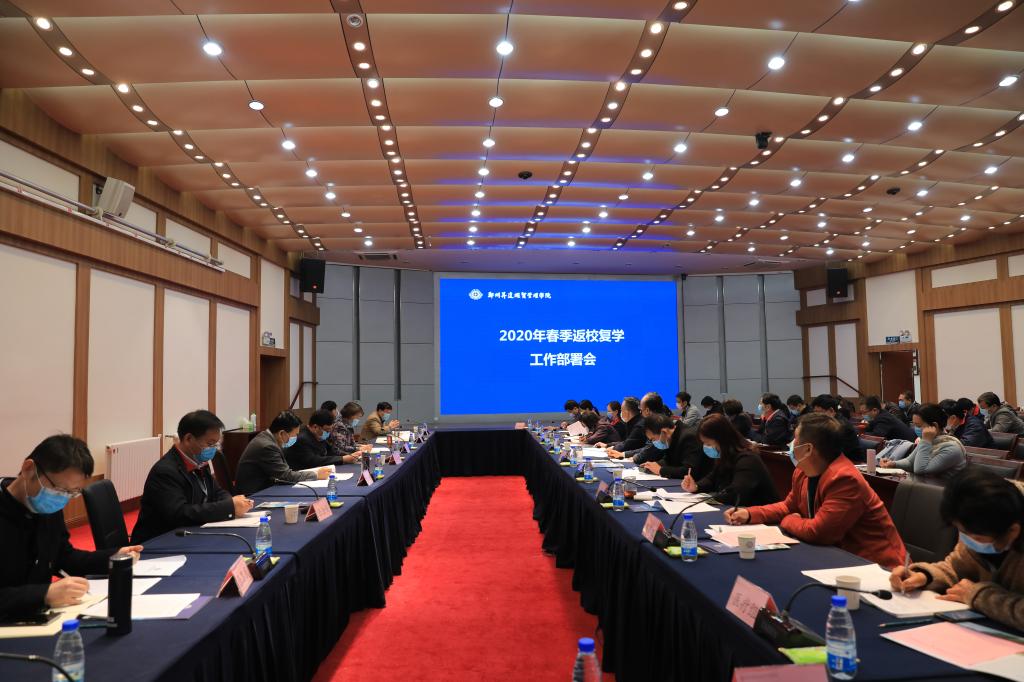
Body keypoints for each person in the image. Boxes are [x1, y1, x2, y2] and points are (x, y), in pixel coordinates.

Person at [725, 413, 906, 567]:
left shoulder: (844, 479)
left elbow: (819, 532)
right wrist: (749, 514)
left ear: (808, 449)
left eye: (795, 439)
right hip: (837, 558)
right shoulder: (802, 472)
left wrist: (788, 521)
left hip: (879, 567)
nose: (791, 444)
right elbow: (788, 506)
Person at [1, 435, 143, 620]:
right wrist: (44, 594)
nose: (62, 499)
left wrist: (112, 558)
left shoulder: (46, 508)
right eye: (59, 490)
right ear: (28, 469)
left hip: (39, 617)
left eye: (71, 493)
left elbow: (63, 557)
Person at [889, 469, 1024, 631]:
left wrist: (977, 595)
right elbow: (956, 566)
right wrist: (924, 576)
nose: (967, 540)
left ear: (1012, 531)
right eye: (961, 532)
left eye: (977, 537)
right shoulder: (977, 522)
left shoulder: (992, 519)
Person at [131, 410, 253, 544]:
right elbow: (180, 514)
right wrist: (229, 507)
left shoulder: (199, 462)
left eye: (216, 444)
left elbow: (217, 492)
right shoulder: (165, 471)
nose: (214, 449)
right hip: (158, 542)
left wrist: (232, 503)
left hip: (189, 533)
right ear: (188, 439)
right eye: (210, 444)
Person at [683, 414, 779, 507]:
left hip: (759, 513)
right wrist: (696, 486)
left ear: (722, 440)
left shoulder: (748, 459)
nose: (706, 447)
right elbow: (711, 479)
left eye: (708, 443)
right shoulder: (725, 455)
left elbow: (736, 494)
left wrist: (707, 500)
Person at [235, 411, 331, 495]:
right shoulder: (267, 446)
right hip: (254, 494)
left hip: (266, 488)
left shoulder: (267, 438)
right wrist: (316, 474)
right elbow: (285, 476)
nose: (296, 438)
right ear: (282, 433)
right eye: (295, 435)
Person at [879, 403, 967, 480]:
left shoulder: (952, 447)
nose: (916, 429)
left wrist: (926, 441)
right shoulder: (928, 440)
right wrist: (893, 464)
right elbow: (910, 462)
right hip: (926, 486)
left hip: (944, 490)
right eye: (914, 425)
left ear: (934, 425)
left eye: (919, 425)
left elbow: (920, 470)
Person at [637, 413, 708, 480]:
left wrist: (660, 470)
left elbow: (689, 471)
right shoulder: (672, 437)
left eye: (653, 439)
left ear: (664, 432)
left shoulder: (689, 437)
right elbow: (668, 460)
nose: (653, 442)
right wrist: (655, 465)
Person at [286, 409, 362, 470]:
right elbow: (314, 461)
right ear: (315, 427)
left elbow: (332, 452)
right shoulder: (301, 438)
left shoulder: (319, 435)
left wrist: (351, 456)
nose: (328, 433)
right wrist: (343, 459)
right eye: (327, 430)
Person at [810, 394, 864, 462]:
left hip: (851, 462)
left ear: (831, 411)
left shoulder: (842, 426)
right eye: (815, 413)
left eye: (819, 413)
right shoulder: (829, 423)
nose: (816, 417)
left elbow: (832, 451)